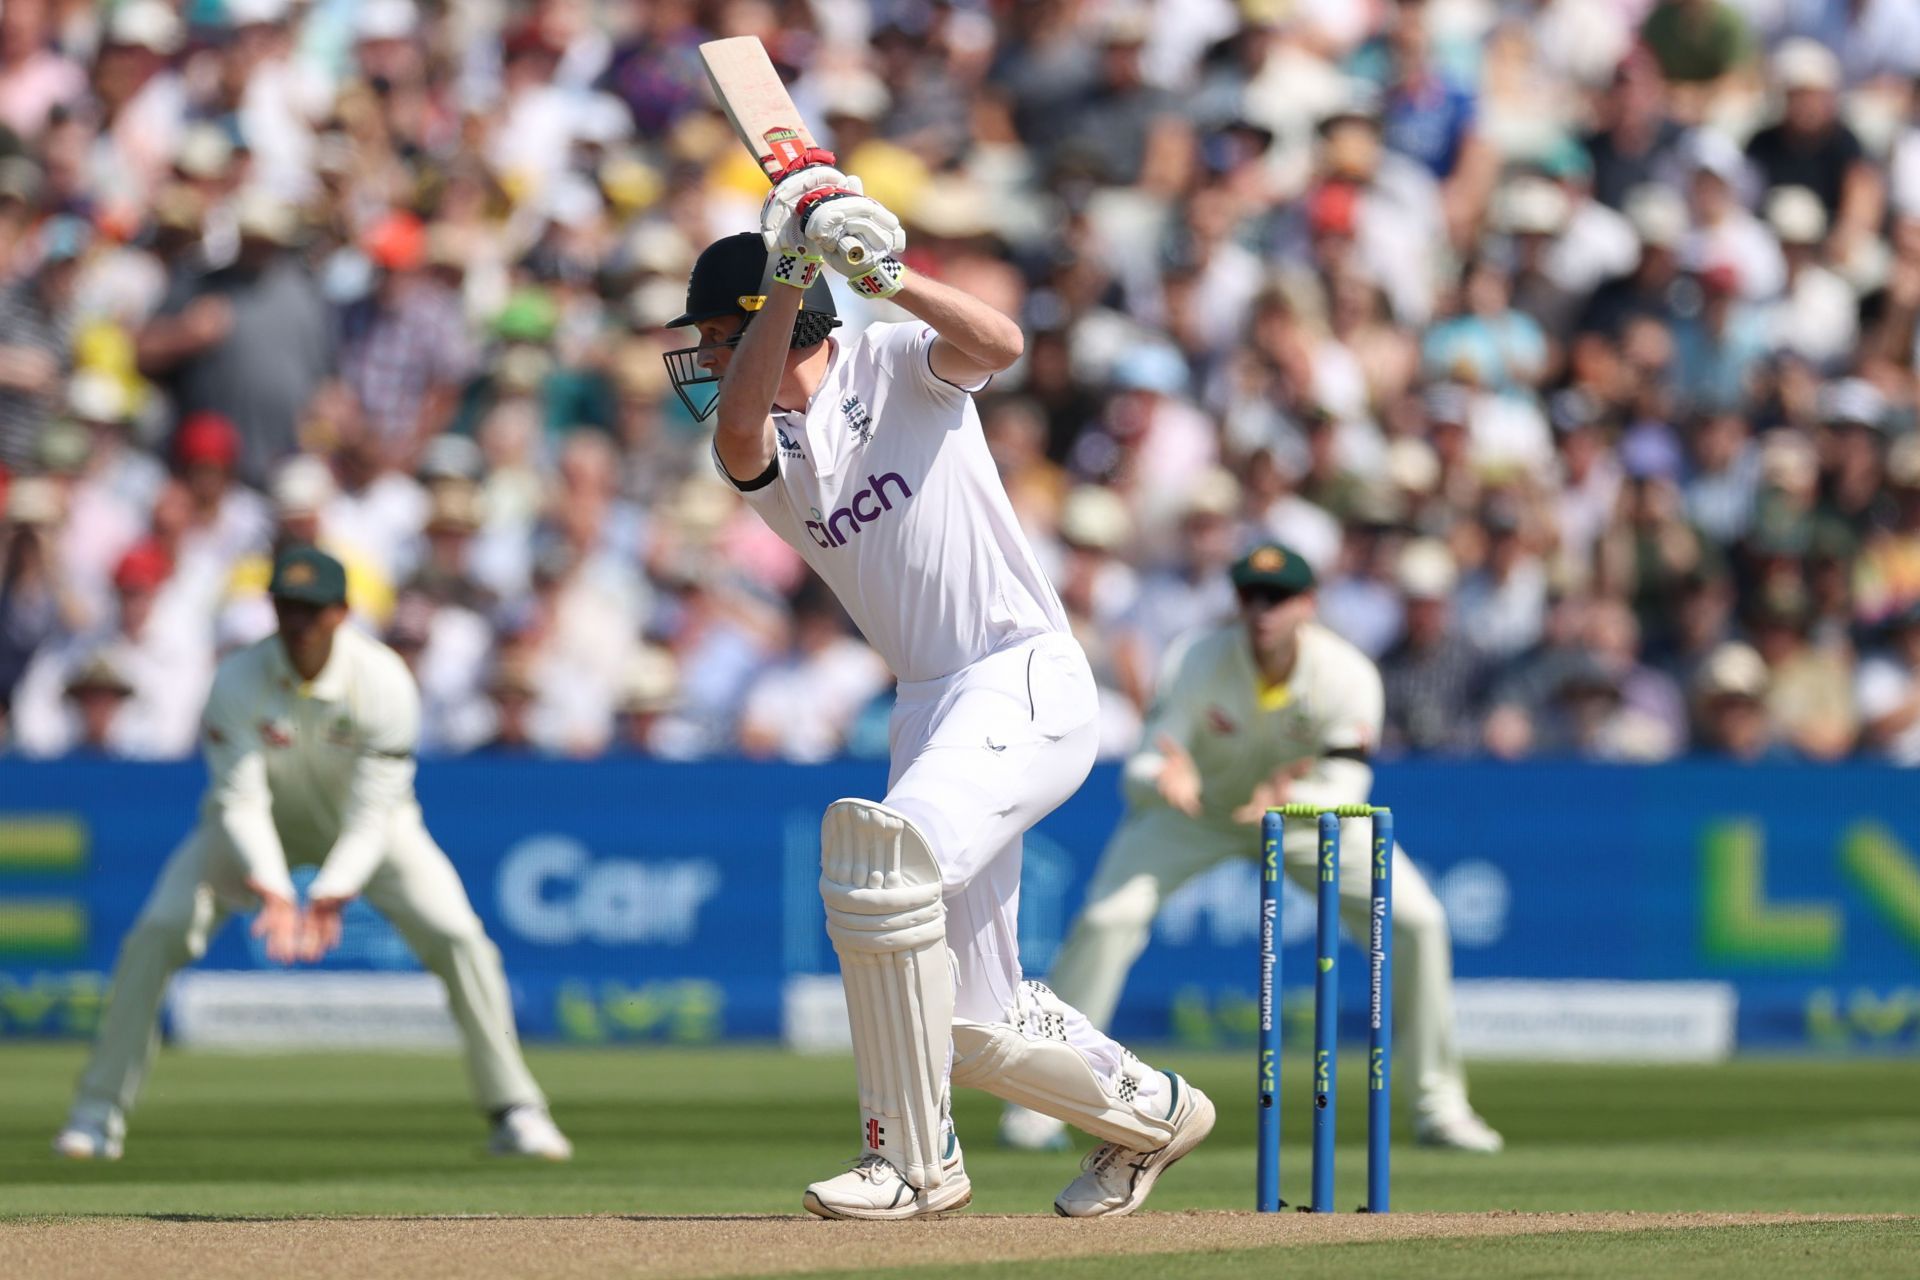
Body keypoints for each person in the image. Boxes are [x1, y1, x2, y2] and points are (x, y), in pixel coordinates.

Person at [662, 165, 1213, 1220]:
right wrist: (790, 264)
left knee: (883, 859)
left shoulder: (892, 357)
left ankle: (914, 1161)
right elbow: (737, 424)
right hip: (932, 705)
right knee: (969, 1019)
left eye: (713, 336)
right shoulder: (761, 446)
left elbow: (1000, 345)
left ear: (771, 329)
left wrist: (888, 274)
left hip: (1022, 671)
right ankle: (1155, 1111)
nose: (704, 361)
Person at [52, 545, 570, 1162]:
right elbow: (239, 801)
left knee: (459, 936)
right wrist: (273, 886)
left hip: (374, 832)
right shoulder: (237, 679)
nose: (298, 623)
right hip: (251, 830)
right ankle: (96, 1114)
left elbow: (374, 814)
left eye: (312, 610)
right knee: (158, 930)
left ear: (342, 613)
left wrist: (329, 890)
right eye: (287, 607)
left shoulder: (382, 681)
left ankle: (515, 1109)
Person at [1000, 543, 1503, 1154]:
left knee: (1417, 920)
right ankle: (1046, 1107)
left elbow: (1349, 786)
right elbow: (1148, 761)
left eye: (1279, 597)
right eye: (1250, 596)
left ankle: (1439, 1104)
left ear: (1308, 604)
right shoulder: (1197, 658)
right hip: (1198, 816)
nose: (1262, 610)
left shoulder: (1347, 674)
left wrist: (1288, 803)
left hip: (1307, 822)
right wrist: (1165, 776)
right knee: (1109, 919)